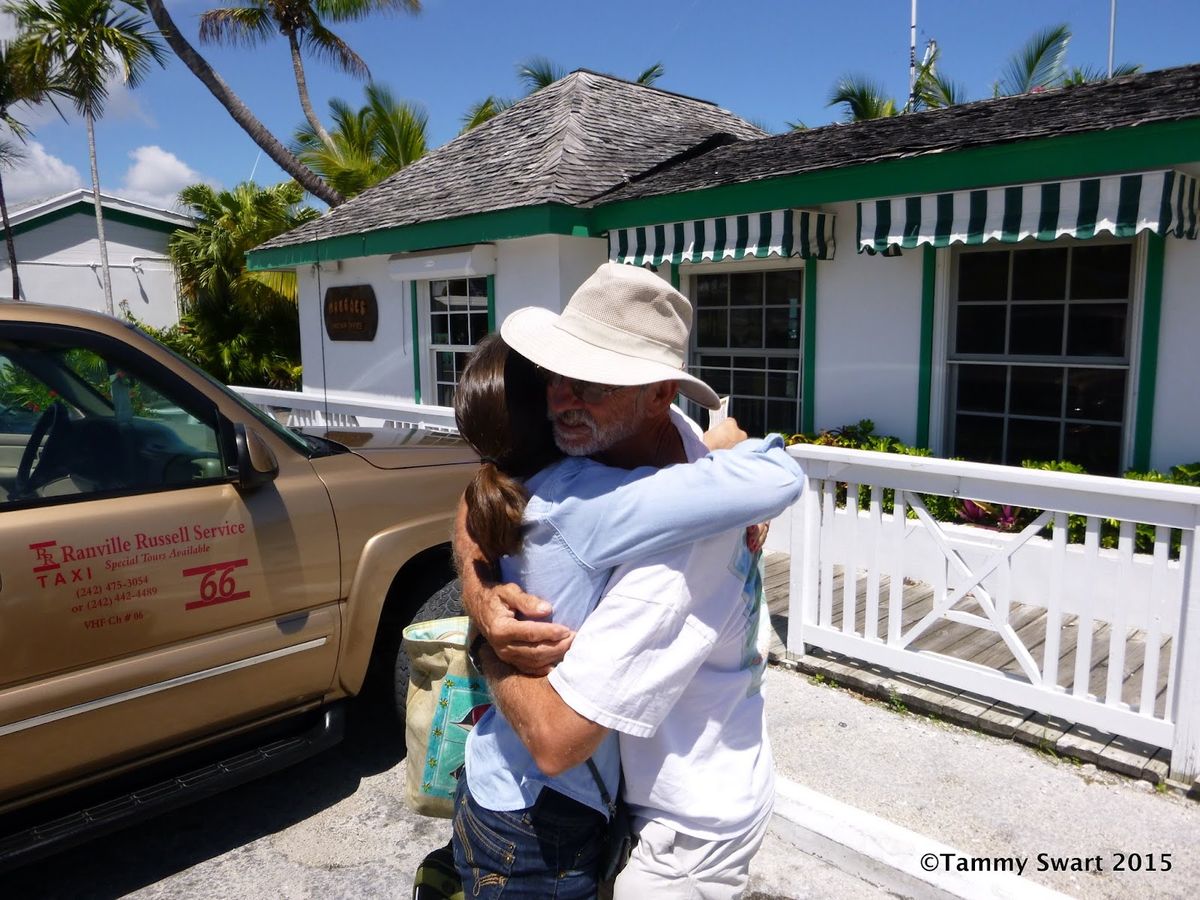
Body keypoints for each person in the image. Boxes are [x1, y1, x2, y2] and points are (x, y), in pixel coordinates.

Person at [452, 262, 804, 899]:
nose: (564, 396)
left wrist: (484, 647)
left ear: (659, 394)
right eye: (557, 375)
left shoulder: (670, 536)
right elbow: (486, 493)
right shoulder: (652, 452)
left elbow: (556, 739)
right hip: (650, 795)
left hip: (683, 824)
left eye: (595, 381)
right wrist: (481, 601)